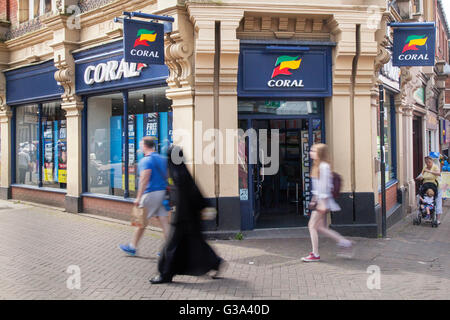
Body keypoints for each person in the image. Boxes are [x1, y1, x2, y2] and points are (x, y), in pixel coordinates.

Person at [150, 146, 225, 284]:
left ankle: (165, 274)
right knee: (196, 244)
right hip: (189, 218)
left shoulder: (177, 173)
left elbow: (184, 196)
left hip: (182, 218)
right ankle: (215, 262)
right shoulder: (181, 171)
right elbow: (194, 192)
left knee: (171, 246)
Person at [302, 143, 353, 262]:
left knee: (312, 226)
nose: (311, 153)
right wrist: (314, 199)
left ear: (320, 154)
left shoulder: (323, 167)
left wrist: (322, 203)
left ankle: (315, 254)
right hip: (320, 201)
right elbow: (318, 187)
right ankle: (345, 242)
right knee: (321, 227)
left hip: (323, 202)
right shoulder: (316, 166)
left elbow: (325, 186)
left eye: (313, 151)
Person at [119, 137, 170, 256]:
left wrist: (138, 197)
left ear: (145, 146)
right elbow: (168, 175)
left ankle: (132, 247)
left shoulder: (146, 161)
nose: (140, 147)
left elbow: (144, 179)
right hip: (162, 193)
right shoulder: (162, 159)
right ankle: (168, 250)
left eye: (141, 144)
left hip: (150, 193)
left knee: (141, 221)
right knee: (164, 223)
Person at [416, 156, 441, 225]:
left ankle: (437, 218)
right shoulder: (425, 167)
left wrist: (429, 171)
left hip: (433, 185)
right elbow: (422, 175)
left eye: (429, 162)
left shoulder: (435, 167)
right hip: (425, 185)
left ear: (432, 161)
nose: (428, 164)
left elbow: (439, 173)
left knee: (437, 201)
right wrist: (419, 178)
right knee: (421, 196)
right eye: (426, 162)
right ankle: (422, 213)